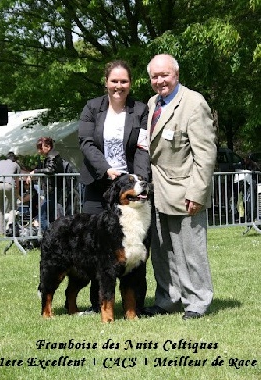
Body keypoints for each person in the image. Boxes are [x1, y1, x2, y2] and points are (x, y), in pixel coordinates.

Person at [144, 54, 217, 320]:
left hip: (186, 192)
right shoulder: (153, 104)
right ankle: (167, 298)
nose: (160, 80)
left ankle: (197, 301)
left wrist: (197, 193)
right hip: (157, 192)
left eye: (165, 75)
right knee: (162, 253)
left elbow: (206, 154)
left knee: (191, 252)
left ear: (176, 74)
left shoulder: (194, 103)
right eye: (155, 76)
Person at [78, 59, 151, 313]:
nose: (118, 86)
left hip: (128, 188)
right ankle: (97, 305)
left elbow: (143, 146)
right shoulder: (91, 108)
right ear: (106, 82)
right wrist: (106, 169)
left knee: (135, 247)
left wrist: (137, 180)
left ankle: (136, 306)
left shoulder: (140, 110)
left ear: (130, 84)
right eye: (114, 81)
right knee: (95, 247)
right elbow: (86, 142)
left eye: (124, 81)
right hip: (98, 184)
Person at [26, 137, 64, 231]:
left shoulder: (53, 156)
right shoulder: (51, 156)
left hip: (53, 190)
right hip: (51, 189)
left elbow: (50, 170)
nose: (39, 151)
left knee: (42, 216)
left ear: (48, 146)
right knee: (49, 217)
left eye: (40, 148)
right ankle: (53, 238)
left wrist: (35, 171)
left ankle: (48, 237)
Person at [0, 152, 21, 234]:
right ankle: (9, 228)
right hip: (9, 184)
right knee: (13, 207)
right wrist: (17, 192)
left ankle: (0, 231)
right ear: (14, 159)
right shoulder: (16, 164)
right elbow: (17, 181)